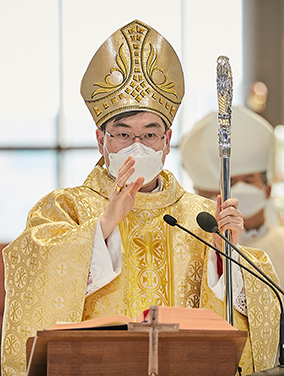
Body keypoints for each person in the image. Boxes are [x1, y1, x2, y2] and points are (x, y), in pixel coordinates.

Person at [1, 20, 280, 376]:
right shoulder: (63, 208)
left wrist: (225, 257)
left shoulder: (199, 216)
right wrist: (104, 226)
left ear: (166, 142)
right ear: (102, 141)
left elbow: (246, 316)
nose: (137, 145)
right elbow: (34, 278)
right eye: (123, 134)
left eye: (150, 134)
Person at [180, 106, 284, 289]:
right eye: (232, 182)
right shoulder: (212, 247)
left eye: (248, 180)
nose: (240, 189)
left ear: (267, 190)